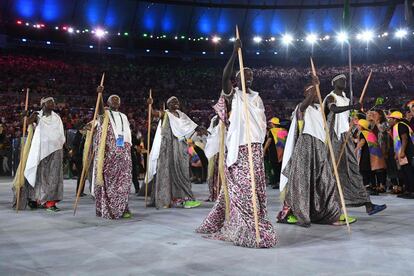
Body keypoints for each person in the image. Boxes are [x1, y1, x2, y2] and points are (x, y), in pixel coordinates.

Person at [196, 39, 277, 248]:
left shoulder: (257, 99)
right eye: (243, 75)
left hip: (256, 148)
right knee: (243, 191)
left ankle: (254, 224)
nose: (248, 78)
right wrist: (234, 53)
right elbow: (224, 76)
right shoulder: (234, 96)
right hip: (239, 149)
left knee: (255, 189)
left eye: (250, 76)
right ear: (237, 78)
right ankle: (247, 227)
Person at [277, 79, 355, 227]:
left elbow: (334, 110)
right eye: (311, 91)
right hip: (305, 146)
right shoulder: (301, 107)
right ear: (305, 94)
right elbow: (303, 106)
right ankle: (298, 215)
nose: (315, 94)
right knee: (302, 182)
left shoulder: (321, 109)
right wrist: (315, 87)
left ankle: (329, 214)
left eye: (317, 92)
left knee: (326, 182)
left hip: (320, 147)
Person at [324, 74, 386, 215]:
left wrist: (352, 117)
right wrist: (352, 106)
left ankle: (368, 205)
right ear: (333, 83)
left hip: (345, 138)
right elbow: (333, 109)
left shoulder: (345, 98)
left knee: (353, 170)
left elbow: (345, 118)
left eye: (345, 79)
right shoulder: (331, 97)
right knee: (333, 172)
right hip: (334, 138)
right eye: (341, 79)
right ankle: (328, 204)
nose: (344, 81)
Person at [146, 96, 207, 209]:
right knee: (167, 172)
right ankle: (177, 200)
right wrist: (150, 106)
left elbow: (192, 126)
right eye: (172, 101)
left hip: (181, 148)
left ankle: (183, 198)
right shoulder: (166, 114)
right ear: (168, 105)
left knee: (183, 172)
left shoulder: (182, 115)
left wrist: (200, 129)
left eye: (177, 101)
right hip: (169, 148)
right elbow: (154, 114)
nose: (176, 102)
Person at [20, 97, 65, 212]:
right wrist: (24, 115)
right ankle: (35, 199)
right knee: (39, 176)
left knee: (54, 177)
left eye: (54, 102)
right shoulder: (37, 115)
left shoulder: (57, 117)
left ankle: (50, 203)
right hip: (40, 152)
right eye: (50, 102)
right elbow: (26, 124)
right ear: (43, 104)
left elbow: (60, 133)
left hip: (56, 150)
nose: (53, 104)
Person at [93, 90, 133, 219]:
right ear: (108, 103)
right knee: (109, 180)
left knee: (124, 181)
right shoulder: (105, 114)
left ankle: (123, 207)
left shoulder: (124, 116)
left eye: (118, 100)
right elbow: (99, 111)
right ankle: (109, 208)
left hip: (124, 153)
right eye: (113, 100)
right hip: (109, 155)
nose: (116, 101)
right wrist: (99, 95)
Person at [354, 119, 387, 196]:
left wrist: (355, 150)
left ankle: (367, 186)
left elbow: (362, 142)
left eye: (358, 125)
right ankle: (373, 186)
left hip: (366, 155)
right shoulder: (370, 133)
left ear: (362, 126)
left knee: (364, 170)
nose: (357, 126)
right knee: (371, 171)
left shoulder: (363, 133)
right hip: (372, 155)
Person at [387, 111, 414, 199]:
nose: (389, 121)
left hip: (407, 152)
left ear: (395, 119)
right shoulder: (396, 126)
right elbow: (398, 141)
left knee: (409, 172)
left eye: (390, 119)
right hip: (403, 152)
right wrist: (397, 153)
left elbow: (404, 139)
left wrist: (402, 151)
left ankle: (412, 191)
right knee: (405, 172)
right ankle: (408, 190)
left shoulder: (400, 125)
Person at [263, 117, 287, 189]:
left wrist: (264, 150)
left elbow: (269, 141)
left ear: (273, 124)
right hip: (282, 151)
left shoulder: (272, 131)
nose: (270, 124)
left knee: (274, 167)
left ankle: (276, 182)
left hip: (274, 152)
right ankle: (282, 182)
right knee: (281, 167)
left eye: (270, 123)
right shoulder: (284, 130)